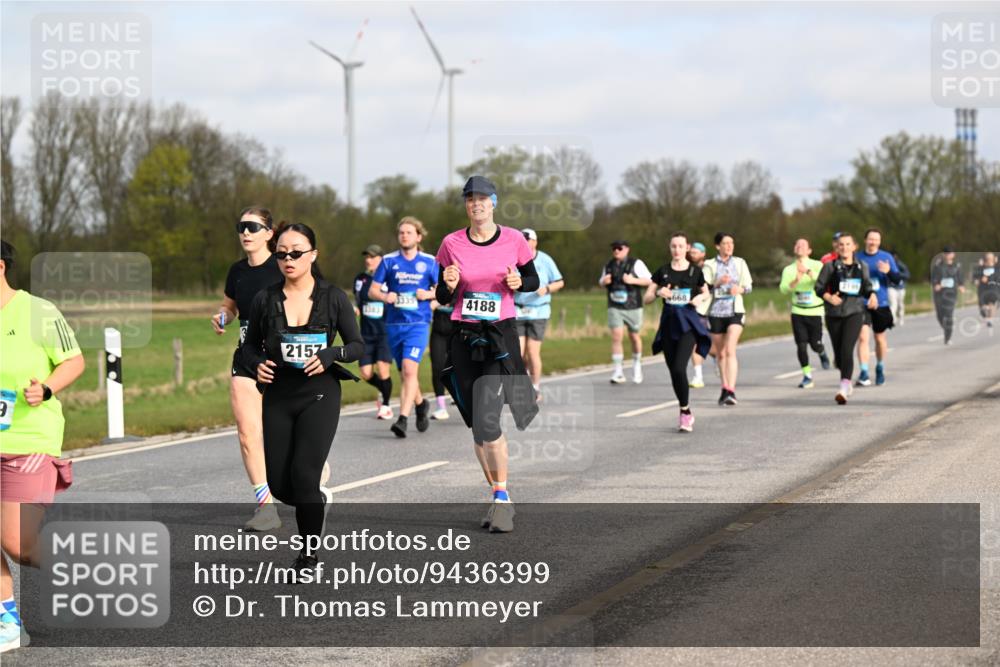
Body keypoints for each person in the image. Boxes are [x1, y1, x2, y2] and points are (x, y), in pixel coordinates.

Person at [241, 223, 364, 575]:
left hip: (320, 393)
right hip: (279, 394)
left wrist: (331, 354)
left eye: (296, 252)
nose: (288, 258)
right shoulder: (265, 298)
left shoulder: (333, 298)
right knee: (280, 485)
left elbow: (357, 345)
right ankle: (315, 502)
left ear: (313, 254)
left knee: (304, 476)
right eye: (281, 253)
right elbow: (249, 347)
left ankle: (308, 556)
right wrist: (256, 364)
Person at [435, 175, 540, 533]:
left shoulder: (513, 240)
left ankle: (502, 499)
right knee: (478, 427)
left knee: (491, 417)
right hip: (465, 336)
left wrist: (518, 283)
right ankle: (497, 494)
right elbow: (443, 296)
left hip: (500, 335)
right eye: (470, 199)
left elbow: (532, 280)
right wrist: (448, 286)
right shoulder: (451, 243)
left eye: (482, 198)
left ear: (494, 202)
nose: (476, 204)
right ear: (466, 204)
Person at [1, 241, 85, 653]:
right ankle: (8, 622)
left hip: (30, 440)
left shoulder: (38, 311)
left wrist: (47, 388)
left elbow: (74, 361)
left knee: (18, 544)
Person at [211, 207, 285, 532]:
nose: (246, 232)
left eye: (253, 226)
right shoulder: (237, 271)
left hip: (282, 359)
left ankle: (307, 470)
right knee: (247, 433)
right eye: (241, 226)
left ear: (269, 233)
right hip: (246, 357)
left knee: (283, 432)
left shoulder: (283, 265)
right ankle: (266, 507)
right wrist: (223, 317)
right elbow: (230, 305)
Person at [369, 218, 439, 438]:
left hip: (418, 324)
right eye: (401, 233)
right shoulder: (389, 261)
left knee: (410, 370)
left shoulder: (430, 262)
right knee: (405, 373)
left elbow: (442, 291)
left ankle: (402, 419)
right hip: (393, 324)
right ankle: (420, 404)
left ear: (419, 236)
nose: (404, 236)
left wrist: (427, 294)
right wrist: (384, 295)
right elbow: (373, 290)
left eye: (409, 232)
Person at [646, 233, 711, 432]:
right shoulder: (662, 272)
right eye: (674, 246)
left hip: (688, 324)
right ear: (670, 248)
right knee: (673, 371)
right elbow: (647, 297)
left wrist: (700, 299)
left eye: (681, 246)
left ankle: (684, 413)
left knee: (678, 368)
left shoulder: (694, 272)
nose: (677, 250)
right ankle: (686, 409)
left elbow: (706, 291)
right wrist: (658, 293)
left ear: (687, 248)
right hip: (668, 324)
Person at [814, 233, 877, 405]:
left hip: (855, 312)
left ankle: (844, 386)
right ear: (837, 247)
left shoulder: (861, 266)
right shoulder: (829, 266)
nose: (844, 247)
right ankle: (846, 377)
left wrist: (872, 295)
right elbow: (818, 288)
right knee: (839, 355)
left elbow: (867, 286)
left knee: (847, 348)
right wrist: (829, 297)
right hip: (833, 314)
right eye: (841, 244)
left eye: (848, 244)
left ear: (854, 246)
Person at [703, 232, 753, 406]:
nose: (730, 246)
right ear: (718, 246)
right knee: (721, 353)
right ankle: (724, 387)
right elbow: (703, 288)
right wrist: (716, 283)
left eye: (731, 242)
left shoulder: (740, 263)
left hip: (735, 312)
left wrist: (740, 289)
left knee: (730, 349)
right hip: (716, 312)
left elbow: (749, 286)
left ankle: (731, 390)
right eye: (725, 243)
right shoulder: (709, 265)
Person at [514, 228, 565, 397]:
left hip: (539, 311)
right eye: (522, 239)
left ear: (534, 242)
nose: (525, 242)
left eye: (527, 239)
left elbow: (560, 282)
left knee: (532, 351)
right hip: (518, 309)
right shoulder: (513, 259)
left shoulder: (545, 260)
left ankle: (535, 388)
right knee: (518, 352)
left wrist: (547, 288)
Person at [778, 238, 830, 388]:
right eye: (797, 244)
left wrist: (807, 272)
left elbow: (823, 282)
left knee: (815, 344)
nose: (800, 247)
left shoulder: (817, 265)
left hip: (815, 311)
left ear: (809, 251)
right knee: (801, 345)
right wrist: (796, 280)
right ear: (794, 249)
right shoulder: (788, 269)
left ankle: (821, 352)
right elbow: (783, 289)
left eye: (803, 245)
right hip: (798, 311)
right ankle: (807, 376)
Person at [599, 240, 652, 384]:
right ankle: (618, 371)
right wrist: (604, 282)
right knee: (616, 336)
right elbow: (600, 282)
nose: (616, 251)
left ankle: (636, 364)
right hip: (614, 305)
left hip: (633, 305)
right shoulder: (608, 265)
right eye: (614, 248)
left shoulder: (636, 263)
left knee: (634, 336)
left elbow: (649, 281)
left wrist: (633, 280)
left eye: (619, 248)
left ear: (627, 249)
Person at [855, 228, 900, 386]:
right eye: (870, 239)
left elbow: (897, 280)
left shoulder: (886, 257)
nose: (873, 242)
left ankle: (880, 366)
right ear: (865, 240)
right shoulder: (857, 257)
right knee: (862, 337)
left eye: (876, 240)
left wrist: (888, 272)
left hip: (881, 303)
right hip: (861, 303)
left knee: (879, 338)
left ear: (879, 242)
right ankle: (864, 371)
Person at [353, 245, 393, 419]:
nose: (368, 260)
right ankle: (383, 390)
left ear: (381, 259)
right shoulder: (360, 279)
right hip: (366, 333)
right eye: (367, 256)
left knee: (383, 370)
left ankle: (386, 405)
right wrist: (356, 309)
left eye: (372, 257)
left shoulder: (388, 278)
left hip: (385, 332)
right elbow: (358, 300)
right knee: (366, 373)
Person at [686, 241, 712, 389]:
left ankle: (717, 357)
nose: (693, 254)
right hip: (695, 310)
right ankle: (698, 376)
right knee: (694, 342)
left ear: (703, 253)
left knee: (710, 344)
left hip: (711, 309)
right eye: (692, 252)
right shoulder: (687, 268)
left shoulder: (710, 267)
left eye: (696, 252)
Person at [931, 247, 964, 345]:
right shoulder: (938, 266)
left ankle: (948, 337)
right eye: (946, 253)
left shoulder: (957, 266)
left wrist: (961, 286)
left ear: (953, 255)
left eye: (950, 253)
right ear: (943, 255)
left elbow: (960, 278)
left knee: (949, 314)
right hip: (939, 293)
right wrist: (936, 284)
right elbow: (933, 278)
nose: (948, 255)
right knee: (940, 315)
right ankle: (947, 327)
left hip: (951, 293)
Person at [974, 252, 1000, 328]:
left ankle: (990, 320)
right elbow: (975, 278)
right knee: (983, 309)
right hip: (982, 290)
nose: (989, 260)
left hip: (993, 289)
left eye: (991, 258)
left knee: (991, 303)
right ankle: (985, 312)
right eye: (988, 258)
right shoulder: (980, 269)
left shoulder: (997, 268)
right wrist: (978, 280)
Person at [887, 250, 911, 326]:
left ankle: (901, 317)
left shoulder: (901, 265)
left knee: (900, 304)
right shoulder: (887, 265)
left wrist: (897, 275)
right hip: (891, 287)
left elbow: (907, 275)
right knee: (893, 303)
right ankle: (893, 319)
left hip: (900, 288)